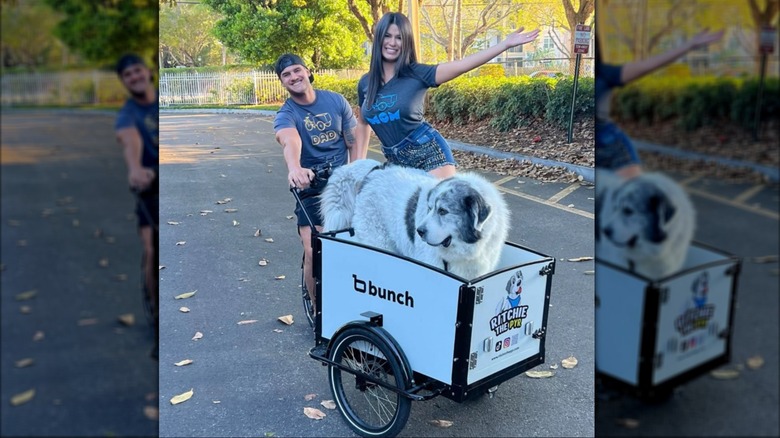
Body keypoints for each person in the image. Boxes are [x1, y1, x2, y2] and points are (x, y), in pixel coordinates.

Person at [356, 12, 540, 179]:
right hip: (396, 163)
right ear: (379, 38)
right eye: (387, 36)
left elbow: (462, 65)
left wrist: (504, 44)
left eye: (399, 37)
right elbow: (363, 124)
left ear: (406, 42)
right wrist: (357, 169)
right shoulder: (366, 83)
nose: (393, 43)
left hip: (429, 154)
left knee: (437, 213)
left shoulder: (418, 74)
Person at [273, 53, 364, 315]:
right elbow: (291, 141)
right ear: (283, 82)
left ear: (308, 71)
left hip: (343, 183)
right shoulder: (287, 113)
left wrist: (355, 171)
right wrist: (295, 168)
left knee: (363, 241)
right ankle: (318, 308)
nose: (293, 77)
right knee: (315, 249)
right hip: (311, 186)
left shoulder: (335, 101)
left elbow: (352, 139)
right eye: (286, 75)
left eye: (296, 70)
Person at [595, 29, 724, 179]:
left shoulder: (605, 73)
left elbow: (648, 65)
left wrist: (690, 45)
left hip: (610, 145)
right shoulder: (604, 74)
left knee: (633, 198)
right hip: (602, 145)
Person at [114, 53, 159, 359]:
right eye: (127, 75)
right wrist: (134, 169)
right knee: (152, 251)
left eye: (137, 71)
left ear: (148, 72)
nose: (134, 77)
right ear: (124, 81)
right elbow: (130, 141)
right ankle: (157, 321)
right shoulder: (128, 113)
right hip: (150, 187)